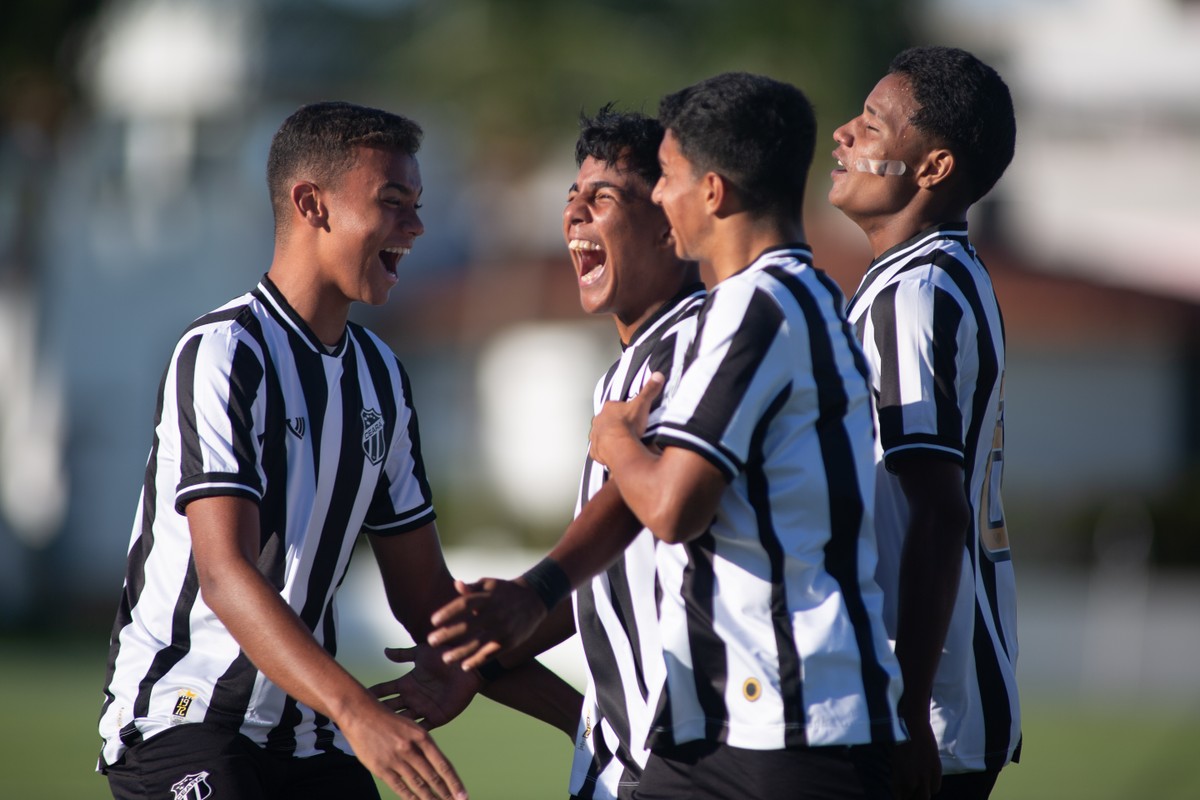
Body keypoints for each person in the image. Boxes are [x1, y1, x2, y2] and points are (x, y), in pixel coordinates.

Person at [434, 73, 907, 800]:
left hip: (782, 724)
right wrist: (516, 630)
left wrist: (616, 445)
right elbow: (633, 564)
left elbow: (667, 507)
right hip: (735, 732)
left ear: (710, 192)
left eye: (668, 178)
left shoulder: (751, 308)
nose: (660, 193)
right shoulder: (776, 303)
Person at [96, 101, 578, 800]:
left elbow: (428, 603)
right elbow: (226, 575)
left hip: (309, 737)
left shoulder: (380, 374)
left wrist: (585, 720)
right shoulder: (225, 352)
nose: (414, 228)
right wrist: (358, 713)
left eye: (417, 205)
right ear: (310, 204)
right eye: (392, 202)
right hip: (187, 720)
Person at [378, 104, 706, 800]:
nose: (576, 216)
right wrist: (484, 647)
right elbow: (619, 565)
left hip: (693, 764)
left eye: (604, 198)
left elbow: (652, 509)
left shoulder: (700, 348)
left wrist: (532, 594)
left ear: (671, 220)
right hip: (626, 759)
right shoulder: (627, 366)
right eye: (571, 199)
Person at [828, 46, 1021, 800]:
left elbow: (936, 513)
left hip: (922, 718)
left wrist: (903, 709)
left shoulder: (915, 294)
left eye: (872, 125)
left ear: (932, 167)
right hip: (932, 709)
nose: (844, 133)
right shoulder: (929, 277)